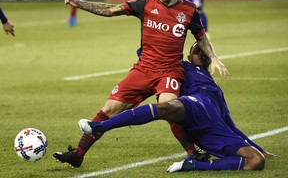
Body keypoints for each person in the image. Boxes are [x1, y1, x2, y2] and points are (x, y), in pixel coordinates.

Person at [53, 0, 229, 168]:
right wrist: (80, 3)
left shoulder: (188, 10)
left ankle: (193, 153)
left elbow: (201, 36)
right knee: (110, 108)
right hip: (143, 70)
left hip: (169, 72)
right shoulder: (145, 3)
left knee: (169, 106)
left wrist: (214, 58)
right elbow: (111, 10)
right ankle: (78, 154)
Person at [79, 42, 275, 172]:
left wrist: (258, 147)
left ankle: (193, 166)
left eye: (203, 49)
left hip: (214, 127)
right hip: (194, 104)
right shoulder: (179, 66)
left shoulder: (216, 89)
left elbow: (230, 124)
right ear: (189, 57)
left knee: (257, 161)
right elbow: (146, 52)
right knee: (165, 107)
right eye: (196, 50)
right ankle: (100, 126)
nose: (200, 52)